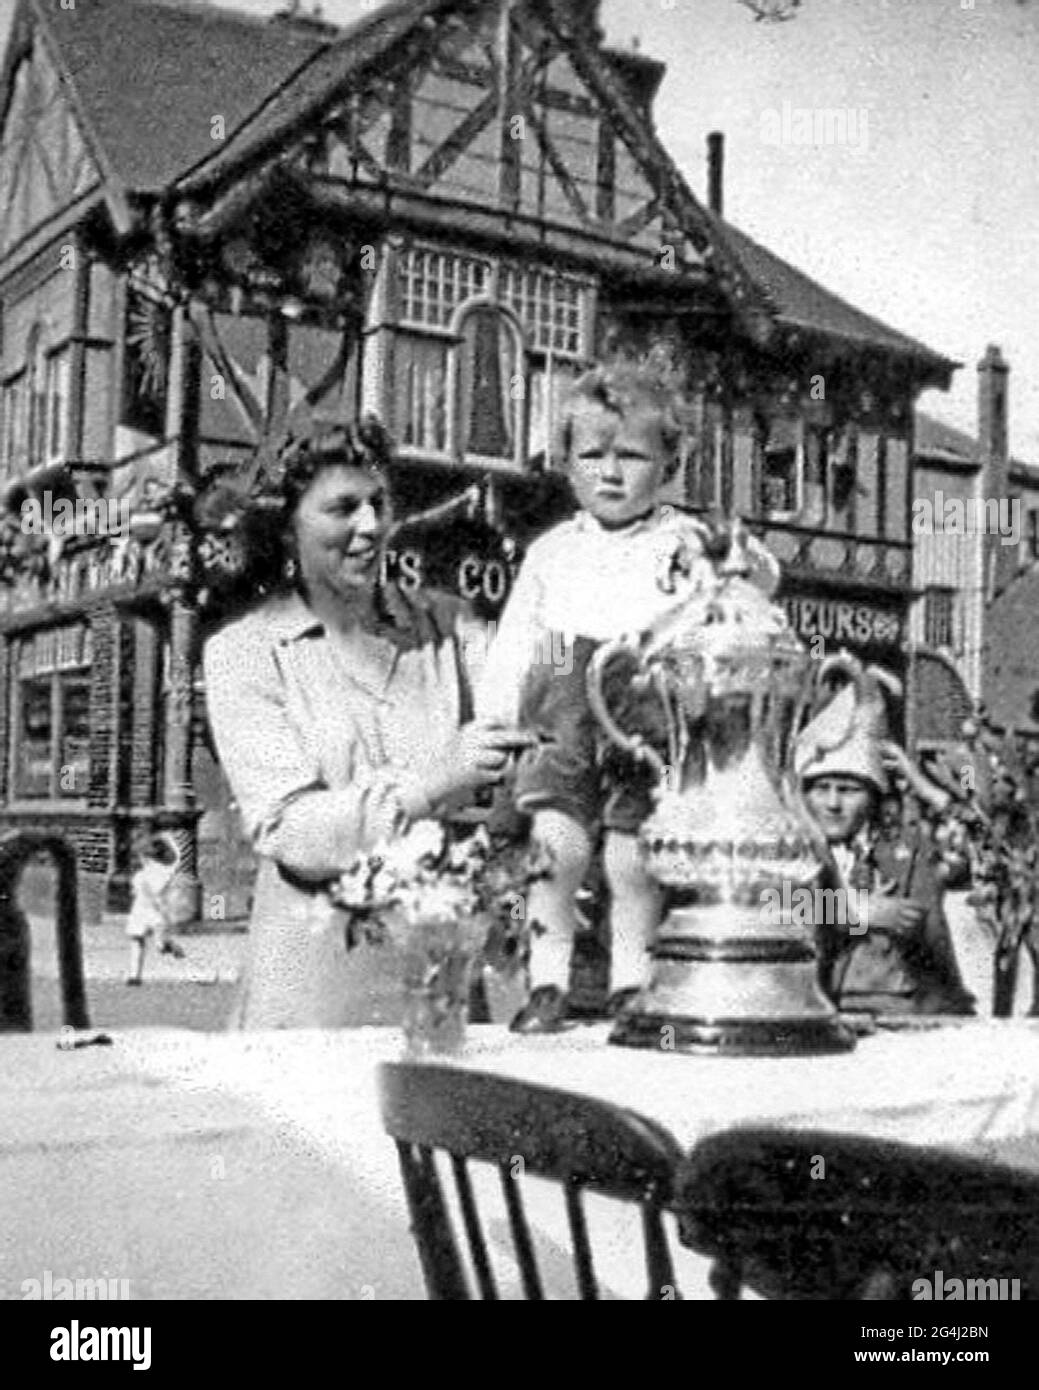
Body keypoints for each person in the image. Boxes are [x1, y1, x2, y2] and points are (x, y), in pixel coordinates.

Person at [477, 356, 780, 1031]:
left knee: (633, 851)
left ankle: (631, 978)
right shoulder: (552, 551)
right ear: (567, 462)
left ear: (667, 463)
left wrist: (734, 553)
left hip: (643, 706)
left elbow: (755, 581)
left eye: (632, 456)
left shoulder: (681, 540)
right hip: (561, 696)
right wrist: (497, 714)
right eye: (592, 455)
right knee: (555, 844)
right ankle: (548, 980)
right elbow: (517, 640)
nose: (610, 473)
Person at [203, 417, 521, 1029]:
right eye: (344, 508)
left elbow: (531, 687)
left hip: (435, 973)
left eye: (380, 504)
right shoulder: (244, 652)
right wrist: (432, 785)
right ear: (286, 524)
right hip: (312, 991)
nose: (372, 527)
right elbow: (290, 829)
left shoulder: (446, 625)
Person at [794, 667, 975, 1016]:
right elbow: (766, 907)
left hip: (896, 1013)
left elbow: (981, 844)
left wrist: (920, 783)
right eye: (821, 788)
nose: (833, 804)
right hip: (808, 1013)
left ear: (874, 796)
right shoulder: (790, 846)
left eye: (848, 790)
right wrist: (857, 912)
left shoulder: (905, 846)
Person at [125, 833, 184, 985]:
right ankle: (134, 976)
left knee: (160, 947)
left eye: (144, 857)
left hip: (156, 912)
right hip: (140, 910)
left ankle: (171, 946)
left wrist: (169, 840)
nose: (142, 860)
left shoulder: (162, 873)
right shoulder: (141, 874)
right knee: (136, 941)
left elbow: (178, 859)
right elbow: (178, 858)